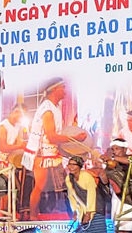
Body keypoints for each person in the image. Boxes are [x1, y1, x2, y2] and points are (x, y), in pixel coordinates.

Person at [22, 78, 86, 220]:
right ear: (54, 89)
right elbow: (51, 136)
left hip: (51, 152)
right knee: (40, 186)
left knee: (66, 183)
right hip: (42, 153)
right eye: (62, 87)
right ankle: (33, 215)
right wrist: (74, 138)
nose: (65, 90)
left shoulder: (54, 107)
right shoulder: (48, 110)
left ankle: (73, 214)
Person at [65, 155, 109, 233]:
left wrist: (89, 212)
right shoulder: (68, 178)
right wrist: (75, 211)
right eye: (69, 164)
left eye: (73, 164)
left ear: (80, 166)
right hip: (82, 211)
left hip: (95, 208)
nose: (70, 167)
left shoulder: (86, 176)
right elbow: (71, 196)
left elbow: (92, 194)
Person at [101, 138, 132, 233]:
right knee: (118, 228)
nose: (114, 151)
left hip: (129, 200)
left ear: (124, 149)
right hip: (116, 200)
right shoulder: (111, 164)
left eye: (117, 149)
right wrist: (103, 174)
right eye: (113, 149)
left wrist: (112, 159)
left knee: (128, 226)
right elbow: (106, 182)